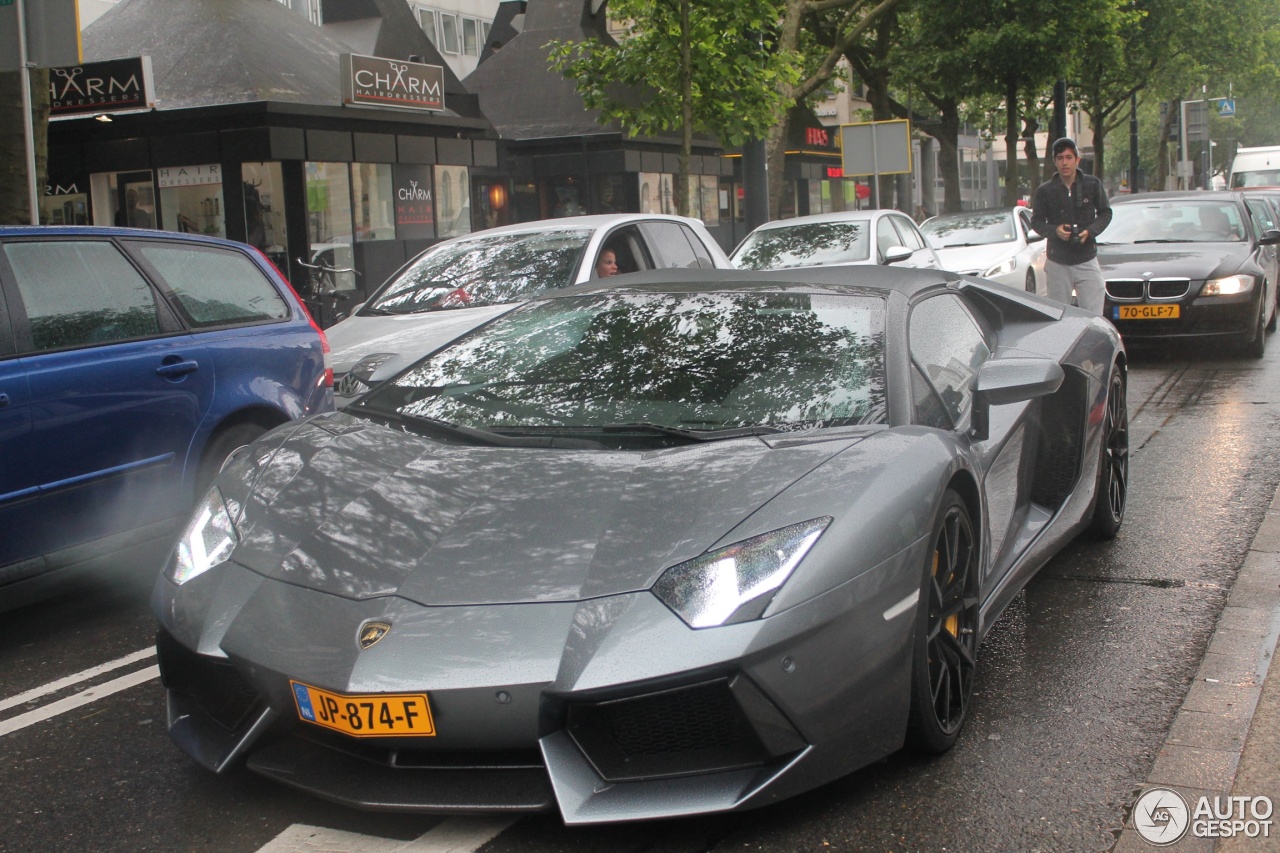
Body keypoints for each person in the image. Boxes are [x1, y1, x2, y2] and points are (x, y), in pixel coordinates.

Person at [1031, 137, 1112, 314]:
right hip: (1057, 261)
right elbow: (1036, 221)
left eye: (1069, 157)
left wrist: (1090, 231)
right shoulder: (1045, 191)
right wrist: (1055, 231)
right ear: (1055, 162)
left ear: (1077, 160)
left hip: (1087, 258)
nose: (1064, 163)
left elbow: (1106, 213)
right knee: (1058, 315)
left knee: (1093, 314)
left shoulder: (1092, 184)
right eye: (1060, 158)